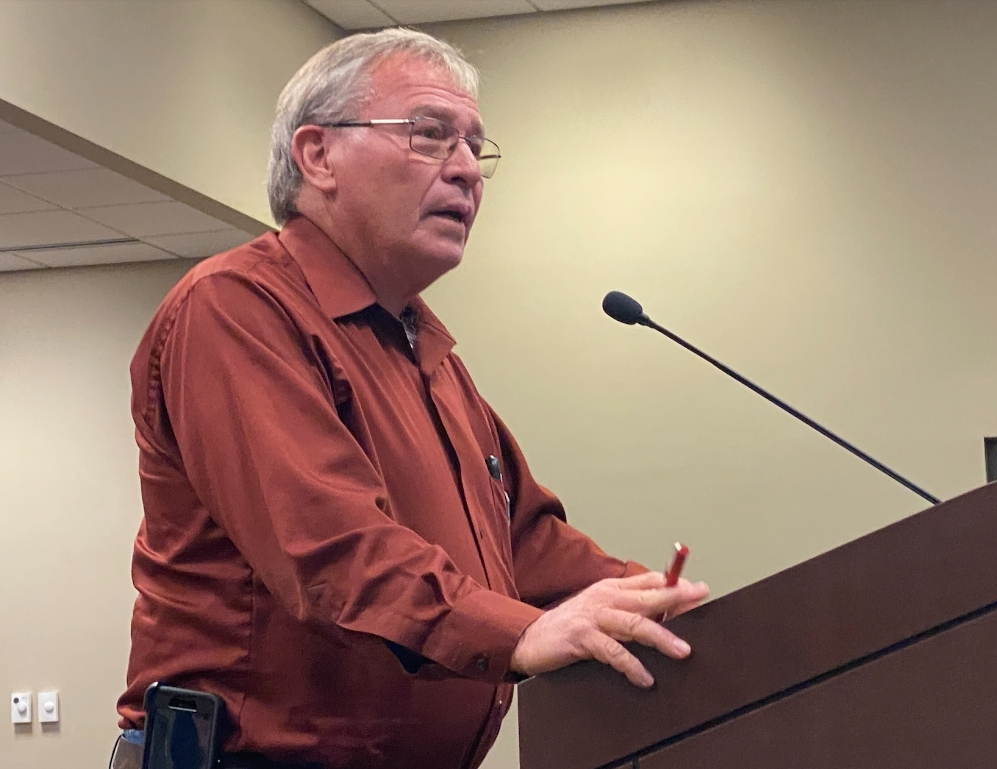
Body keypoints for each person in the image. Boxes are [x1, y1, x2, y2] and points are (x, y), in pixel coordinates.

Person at [113, 28, 709, 769]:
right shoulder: (235, 307)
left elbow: (521, 541)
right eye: (430, 135)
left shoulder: (420, 346)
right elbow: (329, 548)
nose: (465, 170)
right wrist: (516, 635)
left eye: (474, 147)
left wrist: (644, 601)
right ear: (318, 155)